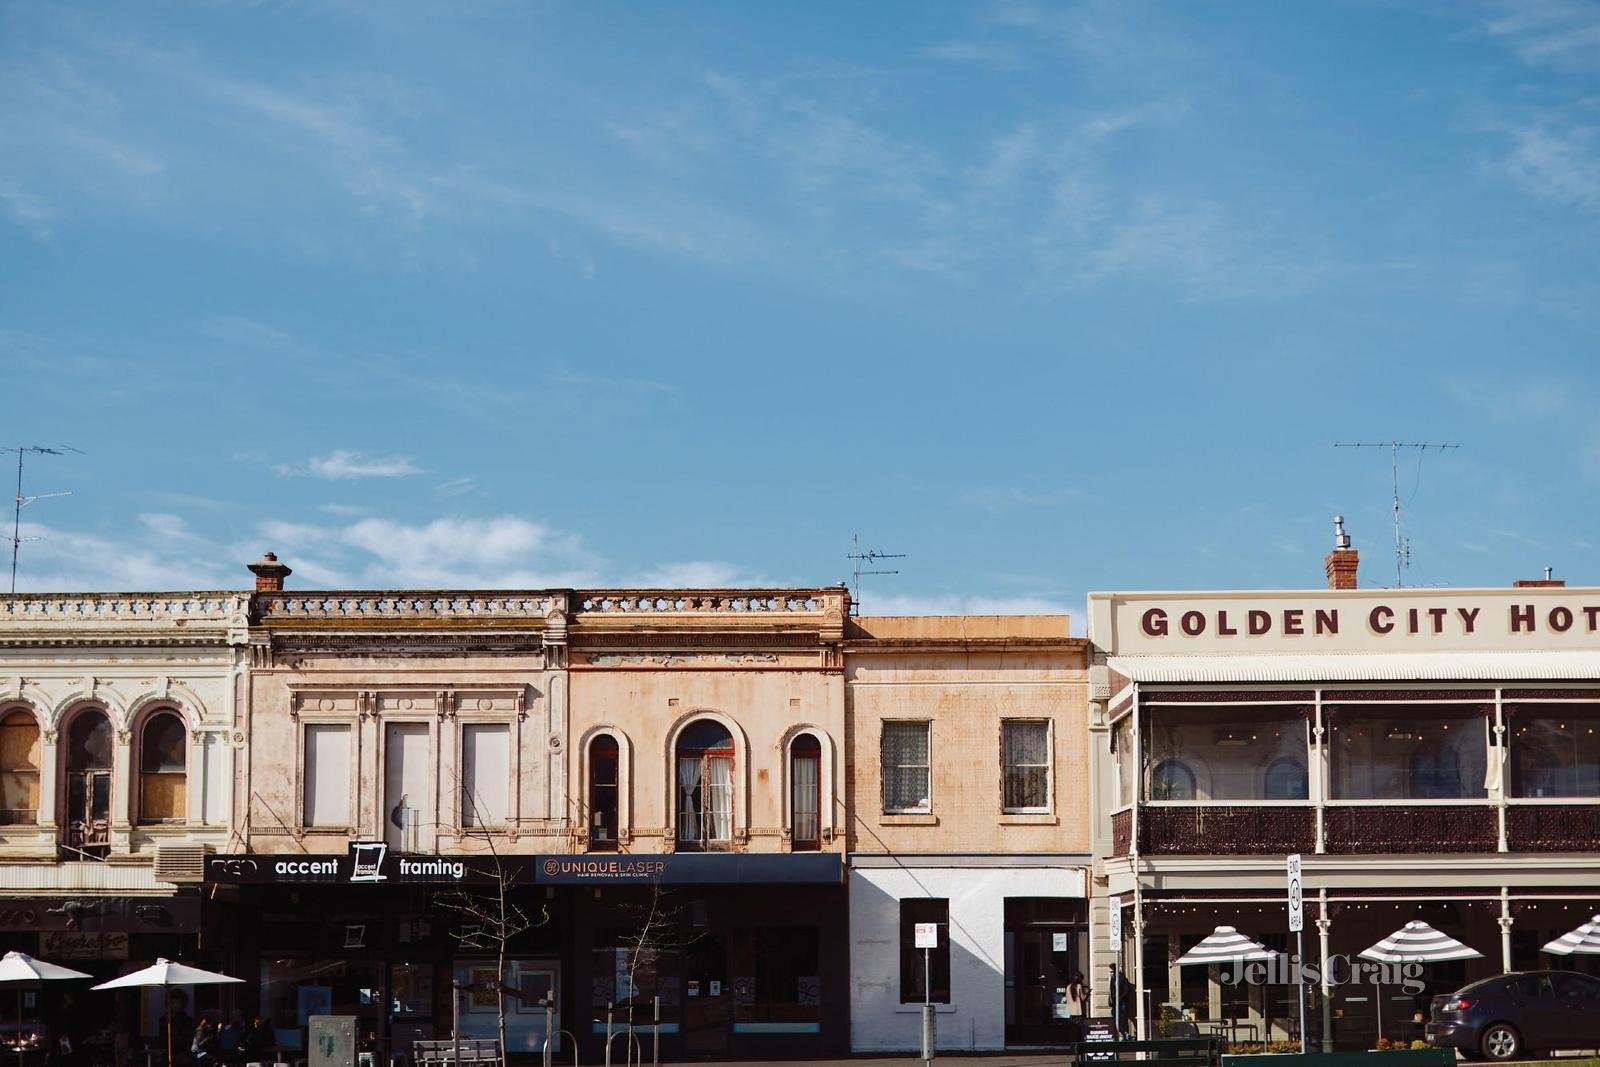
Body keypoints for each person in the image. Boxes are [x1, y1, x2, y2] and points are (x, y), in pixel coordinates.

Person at [1066, 971, 1088, 1041]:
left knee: (1073, 1029)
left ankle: (1073, 1042)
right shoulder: (1079, 986)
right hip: (1079, 1012)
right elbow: (1083, 998)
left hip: (1071, 1012)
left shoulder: (1068, 987)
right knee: (1080, 1030)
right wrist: (1088, 993)